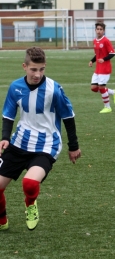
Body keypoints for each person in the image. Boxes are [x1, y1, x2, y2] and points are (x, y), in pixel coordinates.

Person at [0, 47, 81, 231]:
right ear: (24, 67)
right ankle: (2, 220)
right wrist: (5, 138)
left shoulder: (54, 89)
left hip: (46, 145)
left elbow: (68, 116)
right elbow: (8, 115)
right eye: (33, 69)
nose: (38, 74)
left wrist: (73, 146)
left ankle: (30, 204)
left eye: (42, 69)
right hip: (19, 143)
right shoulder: (15, 87)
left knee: (29, 183)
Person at [89, 22, 115, 114]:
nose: (99, 31)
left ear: (104, 31)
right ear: (95, 30)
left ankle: (107, 107)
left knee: (101, 88)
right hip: (98, 69)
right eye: (97, 29)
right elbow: (96, 55)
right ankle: (113, 92)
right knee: (94, 88)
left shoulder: (106, 41)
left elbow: (113, 53)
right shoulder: (94, 41)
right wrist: (91, 61)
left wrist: (104, 59)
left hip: (105, 68)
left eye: (101, 29)